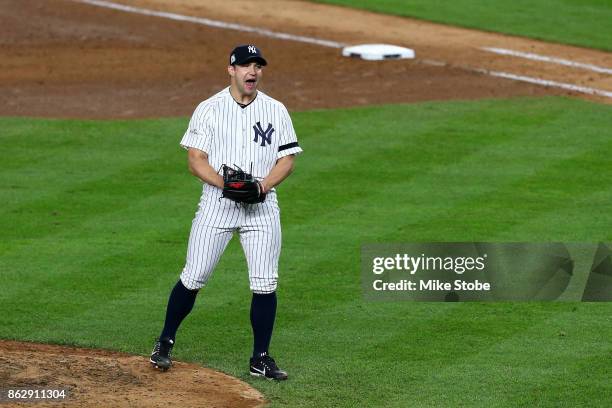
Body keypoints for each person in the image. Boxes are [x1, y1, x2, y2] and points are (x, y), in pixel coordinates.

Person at [150, 44, 302, 381]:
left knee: (265, 283)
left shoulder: (276, 110)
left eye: (257, 66)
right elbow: (195, 160)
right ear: (230, 70)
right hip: (217, 205)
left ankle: (260, 358)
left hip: (262, 209)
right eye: (246, 66)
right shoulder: (209, 109)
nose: (253, 71)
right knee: (194, 276)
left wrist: (260, 187)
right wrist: (226, 185)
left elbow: (287, 159)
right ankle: (164, 342)